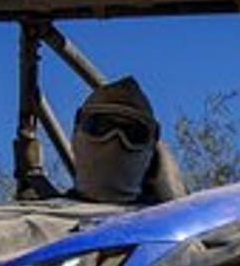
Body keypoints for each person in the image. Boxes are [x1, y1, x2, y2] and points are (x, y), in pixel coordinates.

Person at [26, 76, 164, 204]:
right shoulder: (31, 223)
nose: (114, 143)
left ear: (150, 150)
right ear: (76, 133)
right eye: (101, 126)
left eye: (134, 134)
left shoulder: (173, 225)